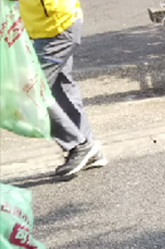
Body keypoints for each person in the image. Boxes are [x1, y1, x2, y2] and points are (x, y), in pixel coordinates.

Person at [15, 0, 105, 176]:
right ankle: (89, 149)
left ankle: (79, 145)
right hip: (55, 25)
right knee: (61, 88)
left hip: (56, 28)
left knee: (31, 93)